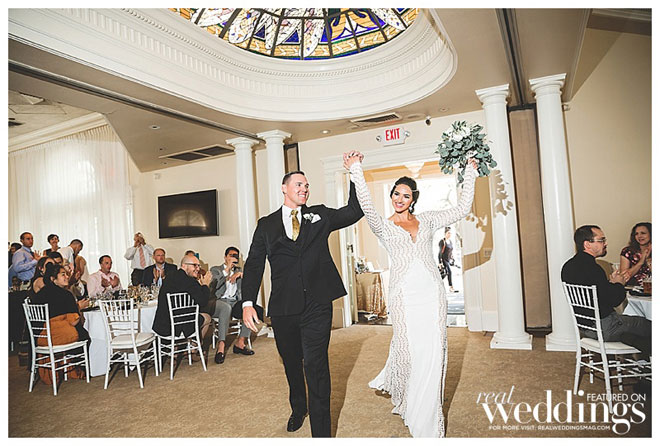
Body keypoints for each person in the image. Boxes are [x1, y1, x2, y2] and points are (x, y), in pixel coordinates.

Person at [345, 150, 477, 437]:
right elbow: (365, 202)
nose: (399, 199)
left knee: (433, 352)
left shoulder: (427, 220)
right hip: (404, 297)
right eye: (396, 194)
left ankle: (427, 416)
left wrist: (470, 171)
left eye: (405, 195)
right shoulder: (382, 225)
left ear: (413, 199)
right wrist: (356, 169)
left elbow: (462, 209)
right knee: (410, 352)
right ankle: (408, 401)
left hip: (432, 294)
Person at [241, 168, 363, 437]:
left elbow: (355, 211)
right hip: (284, 308)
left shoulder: (320, 215)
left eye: (306, 185)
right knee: (292, 363)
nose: (304, 189)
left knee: (316, 366)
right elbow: (254, 264)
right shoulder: (266, 225)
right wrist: (247, 301)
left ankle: (322, 435)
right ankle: (299, 407)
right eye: (298, 184)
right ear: (284, 188)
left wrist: (355, 174)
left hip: (317, 304)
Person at [562, 225, 651, 360]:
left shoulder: (568, 266)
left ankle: (641, 357)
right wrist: (619, 284)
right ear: (587, 244)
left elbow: (596, 294)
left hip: (586, 328)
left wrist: (611, 283)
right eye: (601, 240)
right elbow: (614, 300)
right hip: (606, 327)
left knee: (633, 332)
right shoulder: (593, 268)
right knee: (649, 324)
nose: (605, 243)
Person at [31, 263, 90, 384]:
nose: (67, 277)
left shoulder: (39, 294)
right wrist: (78, 308)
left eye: (67, 274)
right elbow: (74, 321)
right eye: (63, 274)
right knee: (84, 335)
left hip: (42, 337)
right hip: (58, 336)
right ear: (53, 279)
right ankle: (77, 369)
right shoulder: (66, 295)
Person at [209, 246, 256, 365]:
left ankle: (240, 342)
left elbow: (250, 282)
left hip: (234, 301)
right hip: (219, 301)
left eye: (236, 256)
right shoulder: (216, 269)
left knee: (248, 308)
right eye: (231, 256)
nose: (234, 258)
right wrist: (226, 271)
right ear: (225, 257)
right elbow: (213, 285)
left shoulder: (239, 271)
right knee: (226, 308)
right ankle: (221, 345)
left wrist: (241, 274)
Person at [152, 254, 213, 341]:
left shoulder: (170, 276)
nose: (198, 269)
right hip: (178, 325)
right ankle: (195, 345)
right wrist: (205, 285)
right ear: (184, 265)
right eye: (194, 265)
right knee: (207, 317)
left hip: (161, 324)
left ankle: (183, 346)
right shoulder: (190, 281)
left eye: (199, 266)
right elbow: (203, 302)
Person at [620, 222, 652, 287]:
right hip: (632, 288)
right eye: (636, 234)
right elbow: (623, 277)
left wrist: (648, 260)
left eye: (643, 233)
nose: (639, 236)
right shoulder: (627, 251)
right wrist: (641, 262)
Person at [438, 227, 457, 293]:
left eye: (450, 233)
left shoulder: (450, 241)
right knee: (449, 272)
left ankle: (437, 285)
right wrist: (440, 262)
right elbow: (440, 252)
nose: (449, 234)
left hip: (449, 260)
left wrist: (452, 258)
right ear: (445, 233)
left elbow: (450, 251)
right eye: (448, 233)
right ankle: (451, 287)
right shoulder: (442, 241)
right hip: (444, 260)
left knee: (444, 274)